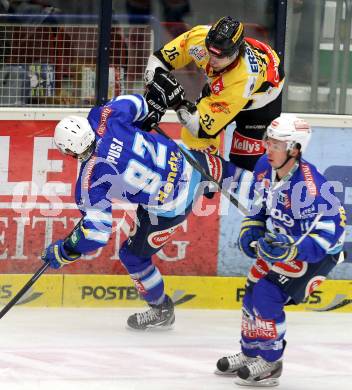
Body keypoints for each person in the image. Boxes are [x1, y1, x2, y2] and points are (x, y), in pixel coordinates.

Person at [40, 79, 242, 331]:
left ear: (69, 152)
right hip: (192, 163)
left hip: (172, 204)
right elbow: (140, 104)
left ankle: (161, 309)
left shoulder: (90, 181)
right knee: (247, 183)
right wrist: (145, 118)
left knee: (132, 256)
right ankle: (276, 208)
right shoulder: (104, 116)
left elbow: (97, 233)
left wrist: (66, 249)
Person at [215, 114, 346, 386]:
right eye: (268, 141)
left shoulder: (311, 188)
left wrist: (290, 252)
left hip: (318, 254)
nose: (268, 148)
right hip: (285, 243)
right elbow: (259, 207)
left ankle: (271, 363)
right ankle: (251, 353)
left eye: (276, 144)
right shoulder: (265, 166)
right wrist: (251, 230)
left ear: (295, 149)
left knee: (267, 294)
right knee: (252, 288)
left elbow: (326, 237)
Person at [144, 15, 285, 174]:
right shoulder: (198, 37)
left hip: (261, 99)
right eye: (210, 50)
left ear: (236, 52)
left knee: (246, 166)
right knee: (193, 138)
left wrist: (177, 102)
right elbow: (158, 60)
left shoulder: (242, 79)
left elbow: (202, 128)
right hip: (222, 85)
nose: (212, 59)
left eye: (221, 55)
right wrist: (153, 91)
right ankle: (209, 173)